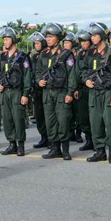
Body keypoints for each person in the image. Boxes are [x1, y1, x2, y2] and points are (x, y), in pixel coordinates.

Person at [81, 22, 111, 164]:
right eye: (91, 36)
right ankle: (100, 151)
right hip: (94, 93)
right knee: (95, 123)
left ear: (102, 36)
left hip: (108, 93)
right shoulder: (89, 53)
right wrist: (86, 80)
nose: (92, 38)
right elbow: (83, 71)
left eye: (95, 35)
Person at [36, 23, 77, 160]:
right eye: (47, 37)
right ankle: (54, 149)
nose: (48, 39)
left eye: (51, 37)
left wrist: (70, 93)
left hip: (61, 92)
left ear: (58, 38)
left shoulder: (66, 54)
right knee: (50, 121)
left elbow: (72, 74)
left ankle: (65, 150)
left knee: (63, 121)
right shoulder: (43, 54)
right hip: (47, 93)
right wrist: (39, 81)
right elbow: (37, 72)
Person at [0, 27, 32, 157]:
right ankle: (11, 144)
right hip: (5, 92)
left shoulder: (22, 57)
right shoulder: (2, 57)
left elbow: (27, 76)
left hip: (17, 92)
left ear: (13, 40)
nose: (4, 42)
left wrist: (25, 94)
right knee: (7, 119)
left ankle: (20, 145)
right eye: (4, 39)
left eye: (7, 39)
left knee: (18, 119)